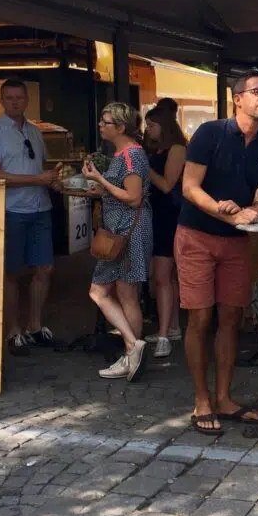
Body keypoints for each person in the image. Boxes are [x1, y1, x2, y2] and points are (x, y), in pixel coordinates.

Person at [176, 70, 258, 434]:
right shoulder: (211, 133)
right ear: (237, 98)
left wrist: (255, 211)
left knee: (232, 318)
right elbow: (189, 187)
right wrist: (223, 210)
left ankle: (224, 397)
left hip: (236, 241)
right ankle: (201, 398)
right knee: (200, 319)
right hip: (197, 235)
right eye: (257, 92)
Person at [0, 79, 59, 356]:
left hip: (41, 207)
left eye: (19, 98)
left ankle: (35, 326)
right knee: (12, 273)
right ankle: (13, 331)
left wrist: (52, 181)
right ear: (1, 101)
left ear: (27, 100)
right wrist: (37, 178)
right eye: (9, 98)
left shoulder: (36, 132)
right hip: (12, 210)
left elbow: (42, 166)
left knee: (44, 269)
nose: (15, 102)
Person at [83, 103, 153, 380]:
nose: (101, 125)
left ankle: (132, 347)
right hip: (120, 231)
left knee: (102, 292)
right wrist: (101, 186)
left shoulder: (131, 156)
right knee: (125, 294)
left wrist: (100, 179)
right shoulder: (123, 154)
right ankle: (132, 354)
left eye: (106, 122)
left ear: (121, 128)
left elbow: (133, 197)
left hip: (127, 232)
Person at [145, 106, 186, 358]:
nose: (148, 130)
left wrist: (144, 167)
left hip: (169, 215)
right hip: (157, 214)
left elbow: (167, 184)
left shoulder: (177, 149)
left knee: (162, 275)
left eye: (151, 126)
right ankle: (172, 327)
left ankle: (164, 334)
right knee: (165, 276)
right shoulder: (157, 149)